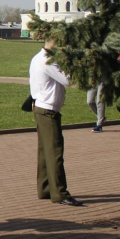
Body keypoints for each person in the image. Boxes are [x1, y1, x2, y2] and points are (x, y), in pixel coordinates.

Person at [29, 36, 82, 206]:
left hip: (41, 107)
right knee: (55, 152)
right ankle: (59, 193)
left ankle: (45, 188)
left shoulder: (37, 58)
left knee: (45, 152)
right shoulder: (48, 61)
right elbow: (67, 80)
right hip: (48, 110)